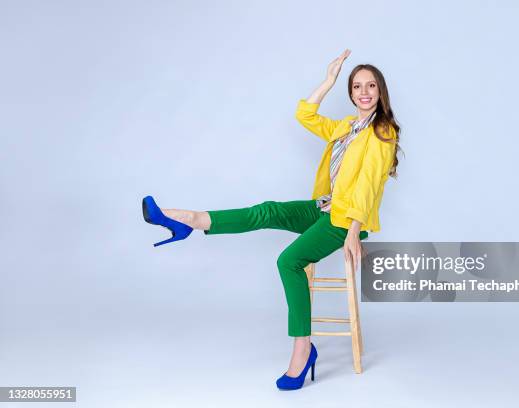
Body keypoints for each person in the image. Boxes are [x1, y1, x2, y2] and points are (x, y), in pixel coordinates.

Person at [141, 49, 402, 390]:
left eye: (370, 86)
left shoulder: (382, 131)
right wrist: (327, 81)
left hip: (347, 219)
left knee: (289, 261)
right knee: (268, 210)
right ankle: (188, 219)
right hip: (326, 207)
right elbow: (306, 116)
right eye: (356, 87)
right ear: (351, 93)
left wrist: (353, 230)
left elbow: (368, 185)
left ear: (380, 91)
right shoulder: (348, 126)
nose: (364, 92)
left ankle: (302, 348)